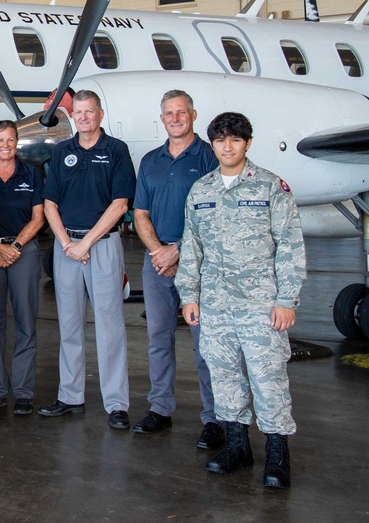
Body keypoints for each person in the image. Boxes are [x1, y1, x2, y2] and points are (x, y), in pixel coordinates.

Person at [176, 112, 305, 490]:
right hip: (215, 307)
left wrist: (286, 299)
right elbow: (191, 249)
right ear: (212, 144)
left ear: (247, 143)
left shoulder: (270, 187)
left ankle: (278, 453)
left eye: (235, 139)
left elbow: (290, 246)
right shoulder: (201, 190)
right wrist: (189, 295)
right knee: (225, 377)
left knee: (268, 379)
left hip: (261, 306)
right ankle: (237, 446)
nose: (227, 146)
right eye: (220, 140)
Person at [38, 89, 135, 430]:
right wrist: (67, 243)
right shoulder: (62, 151)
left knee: (110, 327)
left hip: (103, 247)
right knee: (69, 326)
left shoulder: (116, 151)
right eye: (78, 112)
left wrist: (86, 243)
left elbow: (121, 203)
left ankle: (116, 404)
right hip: (68, 249)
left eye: (89, 112)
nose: (83, 118)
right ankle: (70, 396)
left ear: (100, 114)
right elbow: (50, 203)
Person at [131, 91, 223, 448]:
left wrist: (180, 251)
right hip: (156, 263)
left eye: (180, 112)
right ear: (162, 118)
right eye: (168, 113)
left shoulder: (209, 157)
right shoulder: (150, 161)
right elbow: (140, 213)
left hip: (198, 265)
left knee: (205, 345)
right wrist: (159, 252)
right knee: (158, 340)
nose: (175, 118)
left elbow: (214, 215)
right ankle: (160, 409)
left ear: (193, 115)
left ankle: (215, 418)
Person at [0, 120, 45, 417]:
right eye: (0, 140)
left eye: (10, 140)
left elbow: (38, 217)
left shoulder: (32, 173)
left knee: (26, 322)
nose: (5, 145)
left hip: (23, 250)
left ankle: (24, 392)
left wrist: (14, 247)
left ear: (17, 143)